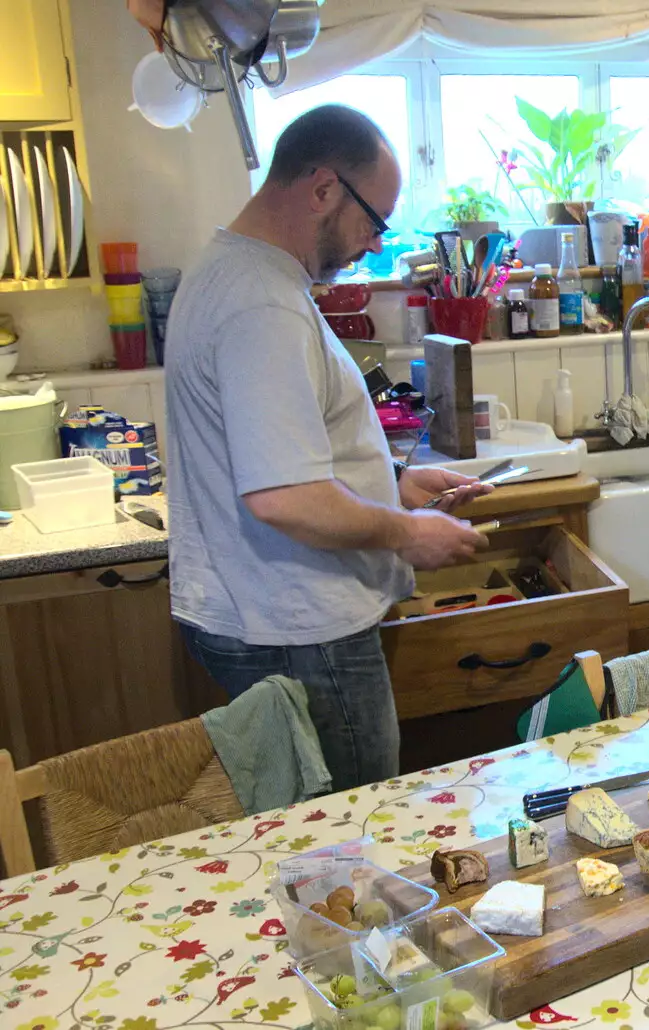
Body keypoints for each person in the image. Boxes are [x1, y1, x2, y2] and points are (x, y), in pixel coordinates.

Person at [164, 105, 490, 790]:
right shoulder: (263, 303)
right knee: (349, 839)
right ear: (322, 189)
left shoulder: (240, 273)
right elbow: (286, 497)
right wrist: (406, 532)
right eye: (374, 220)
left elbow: (279, 455)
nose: (374, 245)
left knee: (316, 840)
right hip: (299, 629)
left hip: (274, 616)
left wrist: (393, 489)